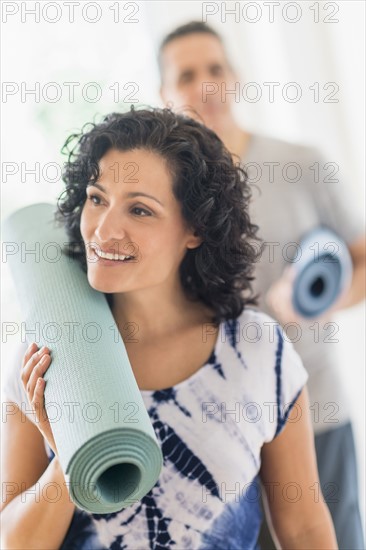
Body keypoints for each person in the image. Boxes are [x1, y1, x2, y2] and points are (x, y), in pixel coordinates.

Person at [1, 107, 338, 549]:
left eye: (140, 209)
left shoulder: (257, 350)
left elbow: (304, 528)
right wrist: (71, 455)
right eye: (97, 198)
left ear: (195, 228)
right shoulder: (49, 352)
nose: (103, 229)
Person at [157, 21, 366, 549]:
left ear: (236, 77)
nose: (205, 85)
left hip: (313, 406)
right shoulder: (164, 197)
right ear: (164, 94)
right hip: (222, 427)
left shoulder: (301, 164)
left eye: (215, 69)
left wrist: (313, 302)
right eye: (186, 75)